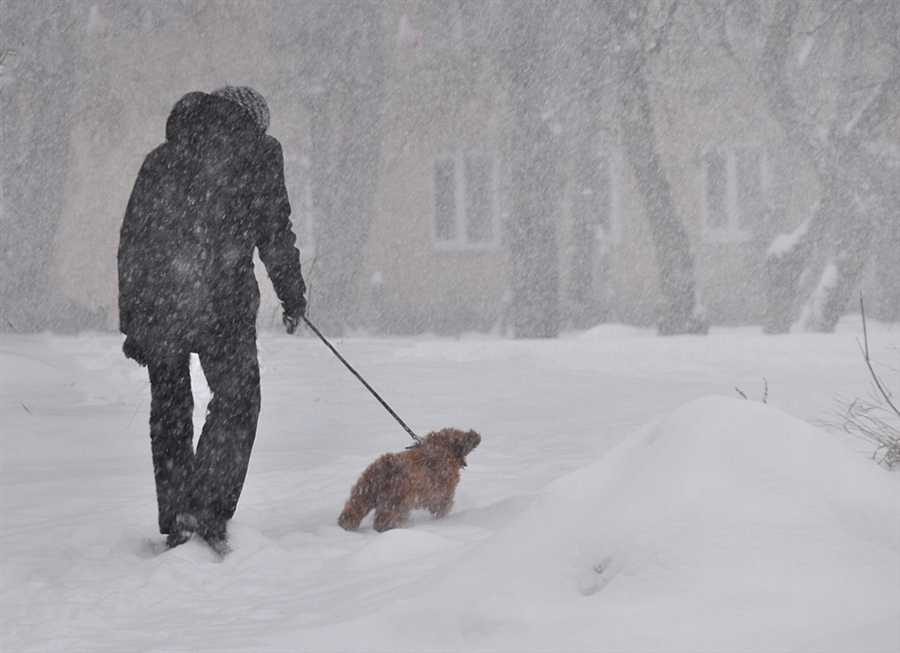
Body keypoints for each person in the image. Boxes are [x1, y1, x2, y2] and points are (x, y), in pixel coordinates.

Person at [117, 87, 306, 554]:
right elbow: (274, 229)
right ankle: (209, 507)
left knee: (171, 409)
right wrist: (293, 294)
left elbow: (133, 242)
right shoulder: (259, 151)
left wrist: (135, 319)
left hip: (162, 301)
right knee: (238, 399)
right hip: (223, 301)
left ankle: (181, 511)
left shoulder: (162, 158)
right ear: (253, 121)